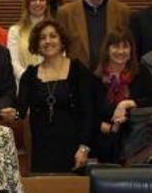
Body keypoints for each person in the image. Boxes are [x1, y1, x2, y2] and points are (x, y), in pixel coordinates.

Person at [17, 20, 94, 173]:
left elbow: (89, 113)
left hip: (74, 150)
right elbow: (19, 111)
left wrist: (84, 148)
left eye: (53, 36)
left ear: (62, 41)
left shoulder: (78, 70)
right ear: (37, 44)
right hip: (41, 149)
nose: (48, 41)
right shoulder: (30, 75)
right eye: (42, 38)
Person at [92, 30, 152, 163]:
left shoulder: (141, 71)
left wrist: (125, 104)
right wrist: (105, 126)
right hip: (104, 133)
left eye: (125, 46)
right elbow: (88, 108)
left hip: (134, 132)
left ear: (131, 50)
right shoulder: (95, 76)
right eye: (116, 46)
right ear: (107, 50)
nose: (121, 51)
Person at [57, 0, 130, 71]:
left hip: (113, 76)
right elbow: (60, 47)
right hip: (78, 76)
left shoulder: (122, 11)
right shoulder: (66, 12)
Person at [7, 0, 50, 86]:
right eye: (33, 0)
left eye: (42, 0)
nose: (38, 3)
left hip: (50, 84)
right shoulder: (15, 31)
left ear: (47, 4)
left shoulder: (55, 30)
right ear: (27, 3)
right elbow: (13, 62)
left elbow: (60, 59)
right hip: (24, 84)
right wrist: (29, 79)